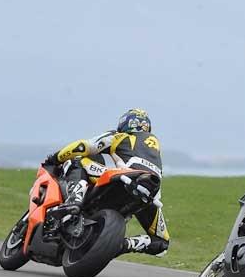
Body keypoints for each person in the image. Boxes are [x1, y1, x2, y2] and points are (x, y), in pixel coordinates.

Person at [42, 108, 170, 257]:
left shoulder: (121, 136)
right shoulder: (154, 148)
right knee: (162, 243)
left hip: (126, 177)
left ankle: (74, 202)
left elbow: (83, 146)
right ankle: (123, 245)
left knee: (79, 160)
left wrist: (54, 159)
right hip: (151, 193)